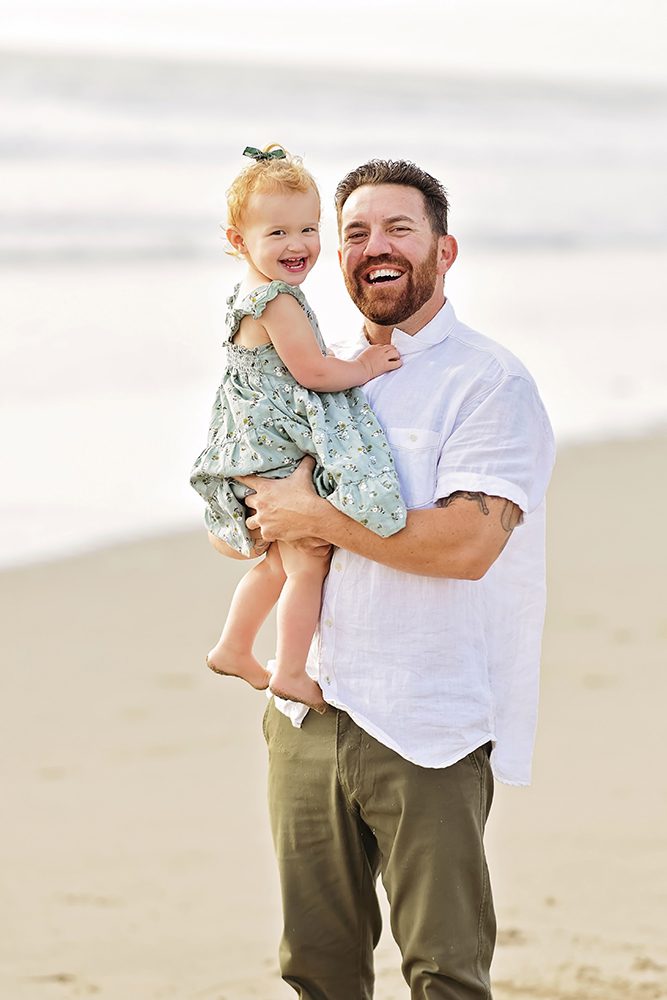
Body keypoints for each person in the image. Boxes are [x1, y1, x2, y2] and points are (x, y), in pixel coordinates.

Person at [211, 158, 556, 999]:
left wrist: (313, 520)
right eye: (355, 232)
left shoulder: (488, 382)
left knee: (443, 970)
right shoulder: (314, 369)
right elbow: (258, 515)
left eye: (399, 228)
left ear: (444, 250)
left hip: (426, 718)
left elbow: (466, 546)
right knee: (317, 968)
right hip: (308, 709)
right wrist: (256, 521)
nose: (375, 246)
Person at [190, 146, 406, 713]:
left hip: (253, 441)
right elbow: (311, 371)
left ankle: (234, 646)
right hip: (277, 448)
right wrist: (361, 367)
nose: (298, 245)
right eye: (278, 231)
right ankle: (289, 670)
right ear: (239, 240)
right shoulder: (278, 299)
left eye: (309, 229)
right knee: (307, 560)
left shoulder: (244, 291)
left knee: (279, 563)